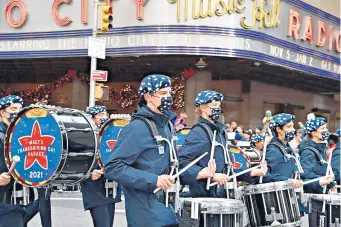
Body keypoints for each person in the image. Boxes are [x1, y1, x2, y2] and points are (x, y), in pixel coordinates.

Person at [104, 75, 178, 227]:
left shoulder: (167, 126)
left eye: (169, 93)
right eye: (163, 94)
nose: (168, 98)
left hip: (168, 211)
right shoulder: (136, 128)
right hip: (146, 216)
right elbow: (113, 168)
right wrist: (154, 180)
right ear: (148, 96)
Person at [178, 90, 267, 199]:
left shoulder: (220, 133)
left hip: (220, 196)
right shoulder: (199, 132)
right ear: (202, 107)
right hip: (205, 199)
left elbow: (226, 170)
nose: (218, 108)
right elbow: (182, 163)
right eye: (214, 105)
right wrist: (206, 174)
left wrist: (252, 172)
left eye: (219, 105)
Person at [0, 95, 39, 227]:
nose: (17, 112)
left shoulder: (22, 134)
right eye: (13, 108)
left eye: (20, 109)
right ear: (2, 112)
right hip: (5, 200)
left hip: (22, 199)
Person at [80, 105, 121, 227]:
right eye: (100, 115)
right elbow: (76, 162)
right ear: (92, 119)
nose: (104, 118)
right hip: (94, 187)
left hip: (109, 186)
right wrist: (88, 174)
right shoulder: (84, 137)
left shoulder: (110, 135)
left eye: (105, 115)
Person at [262, 113, 302, 188]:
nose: (293, 129)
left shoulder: (287, 148)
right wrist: (287, 181)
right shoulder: (273, 150)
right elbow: (266, 175)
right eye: (289, 127)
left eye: (293, 126)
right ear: (278, 129)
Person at [299, 117, 336, 194]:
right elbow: (305, 173)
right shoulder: (308, 151)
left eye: (326, 128)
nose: (326, 131)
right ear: (314, 133)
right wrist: (324, 181)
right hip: (313, 195)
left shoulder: (320, 148)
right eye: (323, 128)